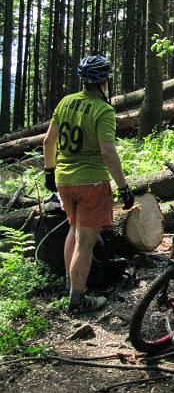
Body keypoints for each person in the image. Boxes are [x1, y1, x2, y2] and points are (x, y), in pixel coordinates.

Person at [43, 55, 135, 313]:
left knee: (74, 231)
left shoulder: (65, 102)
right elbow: (107, 152)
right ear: (105, 81)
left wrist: (49, 172)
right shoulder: (103, 110)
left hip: (64, 179)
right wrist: (123, 186)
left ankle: (70, 285)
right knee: (85, 243)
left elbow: (48, 142)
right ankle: (77, 300)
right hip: (92, 183)